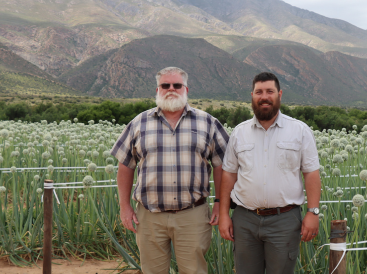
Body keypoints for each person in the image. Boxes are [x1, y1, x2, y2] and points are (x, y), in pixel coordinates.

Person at [111, 67, 230, 274]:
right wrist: (124, 206)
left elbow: (222, 165)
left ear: (186, 89)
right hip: (149, 217)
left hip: (192, 215)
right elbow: (125, 164)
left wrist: (220, 203)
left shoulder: (207, 122)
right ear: (158, 89)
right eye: (166, 85)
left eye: (177, 85)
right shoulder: (139, 122)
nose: (171, 89)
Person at [218, 72, 321, 274]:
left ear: (279, 94)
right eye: (259, 92)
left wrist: (313, 212)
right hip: (245, 220)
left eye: (269, 91)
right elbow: (228, 174)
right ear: (252, 96)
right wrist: (223, 215)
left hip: (284, 220)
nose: (264, 96)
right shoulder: (239, 132)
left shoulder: (300, 130)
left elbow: (311, 174)